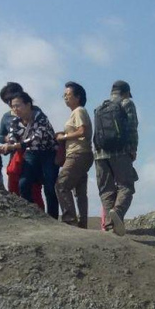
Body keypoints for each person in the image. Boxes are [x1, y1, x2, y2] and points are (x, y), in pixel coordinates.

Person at [0, 92, 59, 219]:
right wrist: (3, 147)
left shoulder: (40, 118)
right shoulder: (15, 121)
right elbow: (12, 137)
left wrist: (13, 146)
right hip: (31, 153)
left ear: (28, 105)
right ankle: (33, 214)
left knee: (50, 186)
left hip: (48, 153)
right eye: (13, 106)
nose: (15, 109)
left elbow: (36, 138)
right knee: (24, 183)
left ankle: (53, 218)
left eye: (18, 105)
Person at [94, 80, 139, 236]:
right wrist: (133, 149)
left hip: (100, 154)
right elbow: (133, 127)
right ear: (126, 92)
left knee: (106, 190)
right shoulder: (127, 103)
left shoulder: (100, 107)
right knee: (126, 186)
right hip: (120, 152)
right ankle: (117, 213)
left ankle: (108, 225)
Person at [0, 82, 44, 209]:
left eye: (11, 98)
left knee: (34, 186)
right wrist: (6, 138)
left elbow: (40, 132)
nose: (10, 103)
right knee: (13, 184)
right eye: (7, 101)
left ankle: (40, 216)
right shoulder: (6, 117)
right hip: (15, 154)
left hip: (33, 152)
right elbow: (0, 136)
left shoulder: (34, 111)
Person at [55, 81, 94, 228]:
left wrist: (63, 137)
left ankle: (69, 219)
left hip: (77, 153)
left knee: (61, 184)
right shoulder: (77, 112)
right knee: (80, 190)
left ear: (77, 97)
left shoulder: (78, 111)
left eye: (68, 94)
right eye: (64, 95)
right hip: (83, 154)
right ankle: (83, 223)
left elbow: (82, 131)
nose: (65, 97)